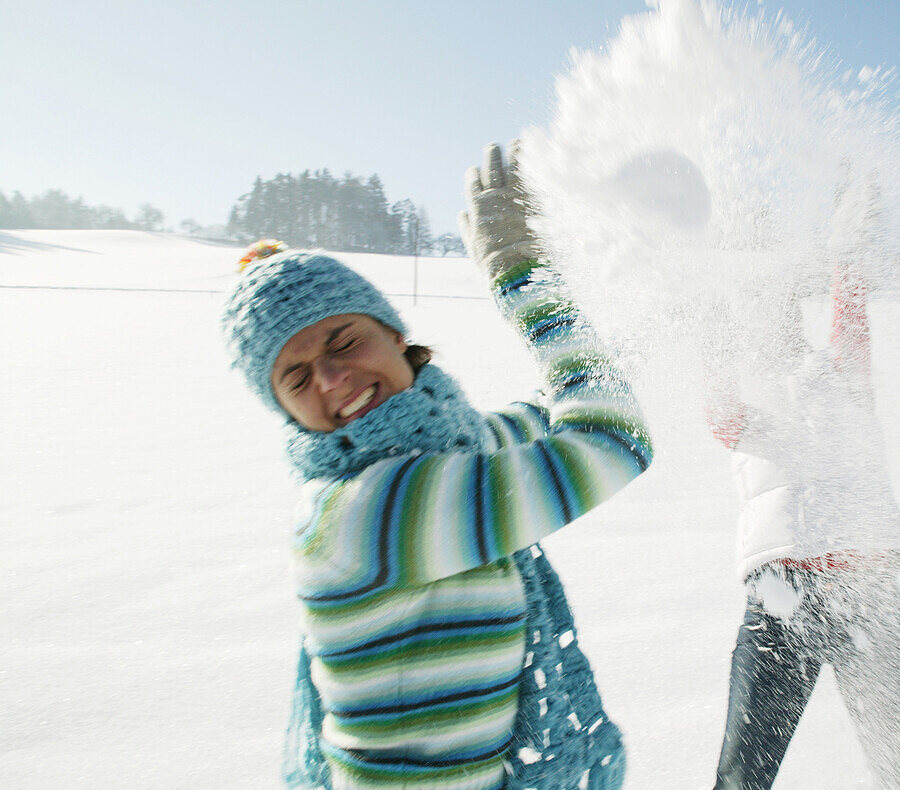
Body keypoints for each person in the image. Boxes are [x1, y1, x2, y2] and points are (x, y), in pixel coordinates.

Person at [221, 142, 652, 790]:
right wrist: (523, 281)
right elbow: (611, 441)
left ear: (396, 334)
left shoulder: (444, 453)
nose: (333, 378)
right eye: (297, 375)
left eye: (344, 341)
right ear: (283, 408)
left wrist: (643, 300)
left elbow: (556, 408)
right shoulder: (372, 508)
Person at [706, 174, 900, 790]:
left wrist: (846, 249)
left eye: (777, 310)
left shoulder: (843, 377)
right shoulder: (741, 406)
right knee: (742, 777)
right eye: (755, 317)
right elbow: (710, 367)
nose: (769, 326)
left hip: (867, 596)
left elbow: (851, 318)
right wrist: (702, 280)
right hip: (780, 603)